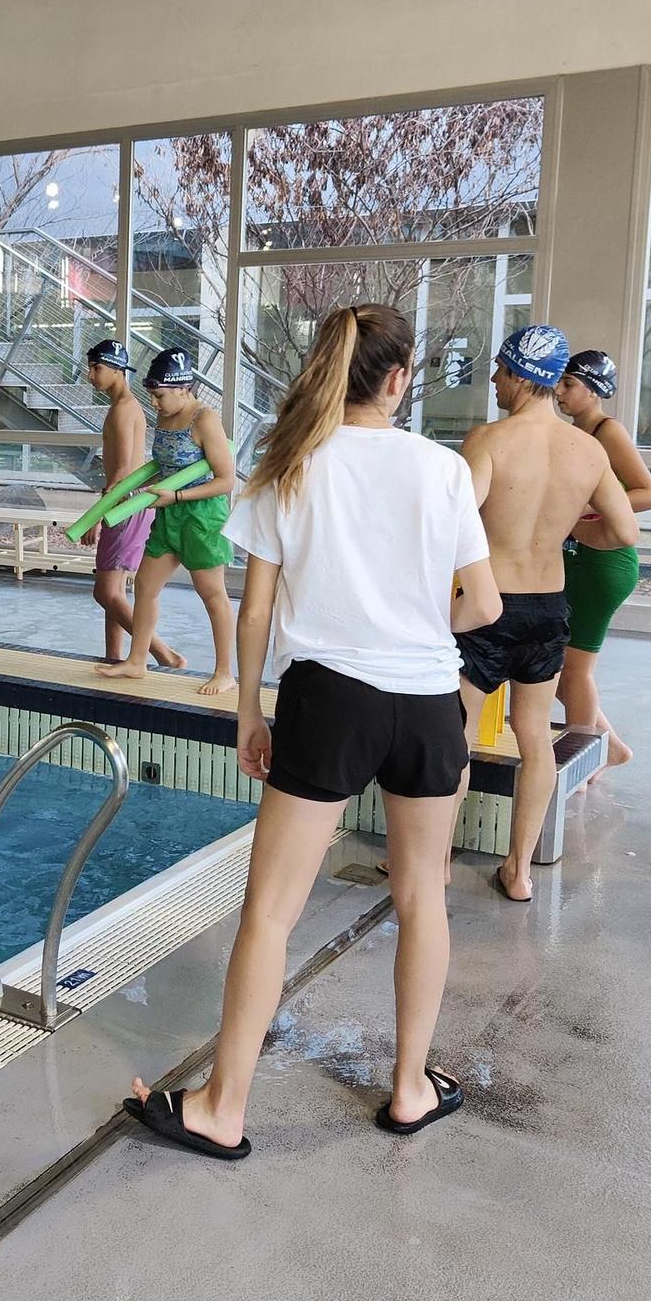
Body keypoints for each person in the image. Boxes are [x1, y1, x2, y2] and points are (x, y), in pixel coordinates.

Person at [124, 303, 503, 1157]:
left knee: (271, 912)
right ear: (400, 378)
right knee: (421, 899)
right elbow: (482, 604)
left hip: (329, 696)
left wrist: (251, 711)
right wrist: (411, 610)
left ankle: (223, 1108)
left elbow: (253, 610)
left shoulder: (287, 464)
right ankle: (410, 1089)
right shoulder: (442, 468)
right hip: (428, 700)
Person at [458, 327, 639, 902]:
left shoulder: (488, 439)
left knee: (456, 736)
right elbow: (625, 529)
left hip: (489, 608)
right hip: (548, 607)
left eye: (498, 371)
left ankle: (433, 861)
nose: (492, 381)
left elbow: (455, 525)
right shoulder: (588, 450)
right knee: (534, 737)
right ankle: (519, 870)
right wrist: (567, 528)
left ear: (517, 374)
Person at [96, 349, 236, 695]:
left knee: (212, 593)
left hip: (201, 517)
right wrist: (131, 488)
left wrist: (176, 497)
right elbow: (164, 466)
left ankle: (224, 672)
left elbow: (226, 479)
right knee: (144, 585)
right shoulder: (165, 416)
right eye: (152, 396)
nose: (155, 403)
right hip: (167, 512)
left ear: (182, 389)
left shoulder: (205, 420)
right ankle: (137, 661)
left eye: (159, 396)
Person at [553, 350, 651, 777]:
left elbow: (649, 493)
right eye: (559, 383)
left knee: (575, 672)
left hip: (605, 564)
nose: (559, 393)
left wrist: (584, 509)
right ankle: (610, 749)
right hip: (582, 561)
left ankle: (582, 764)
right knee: (565, 674)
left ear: (594, 390)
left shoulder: (606, 431)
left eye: (569, 385)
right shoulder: (578, 431)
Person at [84, 339, 181, 669]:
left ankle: (164, 655)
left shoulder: (124, 409)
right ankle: (114, 657)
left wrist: (97, 517)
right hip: (125, 505)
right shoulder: (123, 407)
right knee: (116, 592)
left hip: (124, 507)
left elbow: (125, 468)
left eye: (97, 368)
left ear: (116, 370)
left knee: (106, 593)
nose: (90, 375)